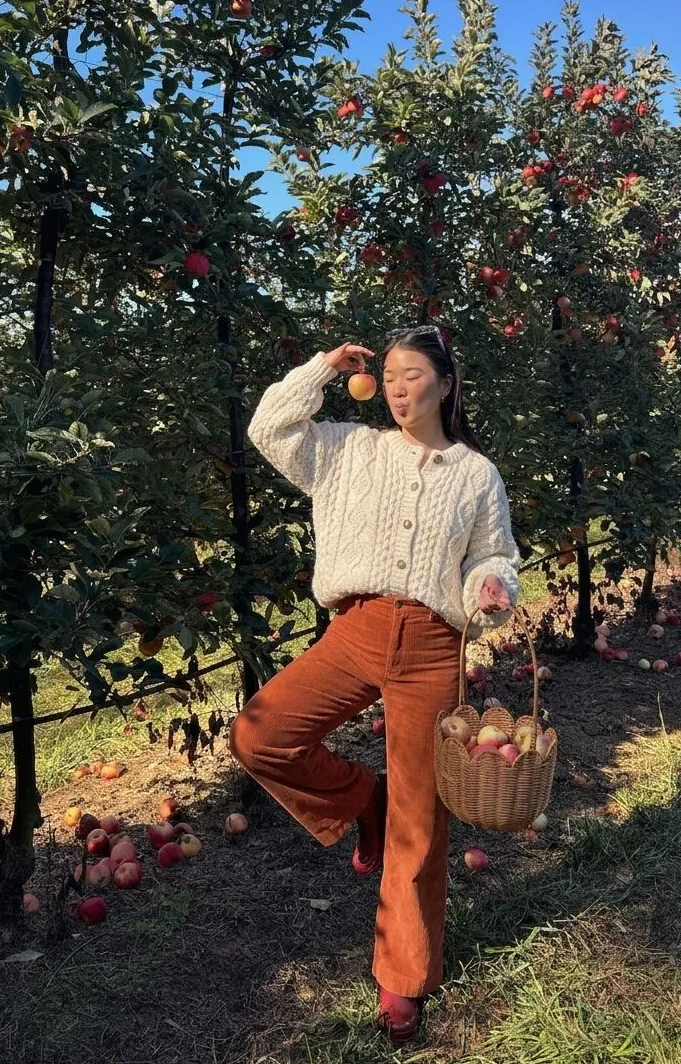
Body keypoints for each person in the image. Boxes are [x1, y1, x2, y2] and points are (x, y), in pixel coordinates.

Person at [229, 324, 520, 1044]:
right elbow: (268, 427)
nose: (396, 386)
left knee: (420, 827)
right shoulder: (344, 450)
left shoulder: (475, 473)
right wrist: (323, 367)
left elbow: (496, 556)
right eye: (388, 374)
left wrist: (489, 586)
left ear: (446, 384)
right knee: (261, 734)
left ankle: (403, 979)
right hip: (354, 631)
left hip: (430, 644)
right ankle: (365, 800)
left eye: (413, 374)